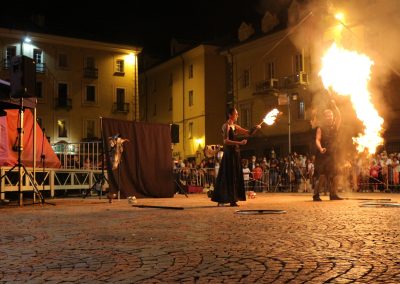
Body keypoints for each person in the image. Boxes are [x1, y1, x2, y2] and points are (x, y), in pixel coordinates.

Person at [211, 107, 261, 206]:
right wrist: (239, 142)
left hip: (235, 153)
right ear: (230, 115)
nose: (237, 115)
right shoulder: (226, 126)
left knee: (235, 176)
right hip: (229, 154)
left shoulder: (235, 126)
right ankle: (226, 199)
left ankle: (233, 199)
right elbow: (225, 141)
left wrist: (255, 128)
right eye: (236, 113)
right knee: (228, 176)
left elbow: (248, 133)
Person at [313, 98, 342, 201]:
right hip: (323, 154)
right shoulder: (320, 128)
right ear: (325, 118)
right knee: (322, 176)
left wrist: (334, 106)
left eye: (331, 116)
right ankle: (316, 195)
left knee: (336, 174)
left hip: (332, 153)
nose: (330, 117)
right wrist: (320, 148)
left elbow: (339, 116)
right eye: (328, 116)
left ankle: (333, 194)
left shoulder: (335, 126)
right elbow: (317, 139)